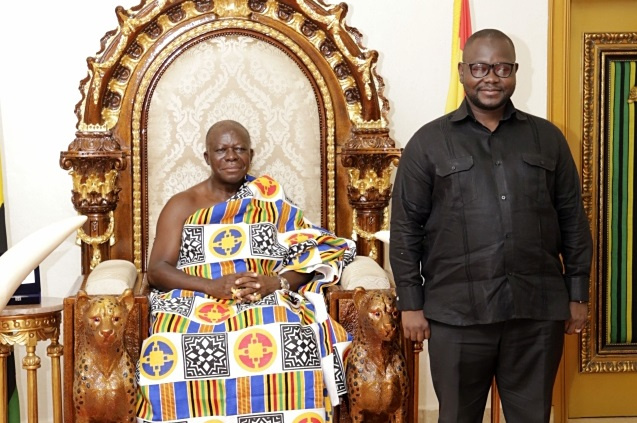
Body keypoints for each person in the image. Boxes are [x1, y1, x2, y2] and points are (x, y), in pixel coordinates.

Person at [389, 29, 593, 423]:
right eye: (480, 67)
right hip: (457, 316)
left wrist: (578, 294)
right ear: (463, 71)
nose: (491, 77)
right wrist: (410, 303)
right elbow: (406, 229)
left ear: (515, 71)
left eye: (501, 68)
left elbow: (572, 218)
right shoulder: (428, 143)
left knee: (532, 416)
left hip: (536, 312)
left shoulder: (547, 139)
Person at [136, 120, 356, 422]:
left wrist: (274, 283)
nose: (231, 156)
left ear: (250, 154)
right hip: (195, 297)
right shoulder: (182, 204)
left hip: (262, 295)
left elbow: (312, 254)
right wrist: (211, 286)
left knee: (291, 335)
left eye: (239, 149)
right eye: (221, 150)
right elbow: (157, 270)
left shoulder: (271, 200)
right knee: (169, 343)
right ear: (207, 157)